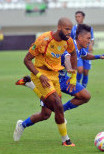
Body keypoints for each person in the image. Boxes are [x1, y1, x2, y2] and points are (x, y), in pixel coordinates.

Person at [14, 24, 104, 143]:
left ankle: (60, 110)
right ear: (80, 38)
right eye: (88, 38)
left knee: (85, 96)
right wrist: (70, 69)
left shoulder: (80, 48)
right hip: (49, 80)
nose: (90, 41)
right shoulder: (68, 45)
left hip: (63, 79)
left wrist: (99, 56)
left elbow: (84, 55)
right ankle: (22, 125)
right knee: (45, 115)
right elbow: (66, 57)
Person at [13, 17, 77, 146]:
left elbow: (74, 54)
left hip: (55, 76)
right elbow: (27, 60)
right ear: (59, 27)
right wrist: (39, 75)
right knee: (58, 106)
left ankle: (22, 124)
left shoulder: (68, 41)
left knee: (46, 114)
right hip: (40, 75)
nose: (69, 32)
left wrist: (73, 76)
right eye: (67, 29)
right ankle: (66, 140)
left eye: (71, 29)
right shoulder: (44, 39)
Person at [71, 11, 95, 88]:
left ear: (83, 17)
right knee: (80, 70)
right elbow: (71, 40)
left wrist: (91, 44)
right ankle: (77, 85)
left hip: (86, 53)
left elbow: (92, 39)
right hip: (77, 53)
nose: (77, 18)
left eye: (79, 16)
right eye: (76, 17)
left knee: (85, 72)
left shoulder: (88, 28)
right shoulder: (73, 29)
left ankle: (84, 88)